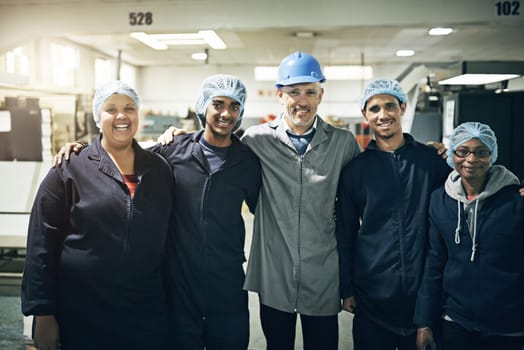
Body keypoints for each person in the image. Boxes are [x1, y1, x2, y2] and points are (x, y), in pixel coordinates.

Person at [52, 74, 262, 349]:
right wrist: (80, 149)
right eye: (218, 104)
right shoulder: (173, 150)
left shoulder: (247, 162)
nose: (226, 113)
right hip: (178, 286)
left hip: (227, 285)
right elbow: (121, 152)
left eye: (235, 107)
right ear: (203, 107)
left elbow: (267, 209)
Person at [21, 80, 175, 349]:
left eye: (129, 108)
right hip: (83, 310)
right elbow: (41, 241)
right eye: (110, 109)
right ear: (97, 117)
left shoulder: (159, 169)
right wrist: (42, 312)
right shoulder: (70, 168)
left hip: (146, 310)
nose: (121, 116)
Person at [241, 51, 361, 350]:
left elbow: (369, 181)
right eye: (294, 92)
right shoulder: (256, 140)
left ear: (321, 95)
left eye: (310, 92)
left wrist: (426, 150)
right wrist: (178, 137)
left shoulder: (343, 143)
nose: (302, 100)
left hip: (323, 272)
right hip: (274, 272)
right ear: (279, 95)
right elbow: (214, 152)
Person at [335, 78, 452, 350]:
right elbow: (346, 233)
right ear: (365, 115)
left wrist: (509, 189)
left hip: (425, 297)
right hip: (373, 296)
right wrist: (347, 288)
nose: (383, 114)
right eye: (374, 109)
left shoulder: (431, 162)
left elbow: (469, 185)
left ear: (402, 108)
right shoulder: (355, 171)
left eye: (390, 106)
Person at [413, 122, 524, 350]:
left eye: (481, 152)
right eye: (463, 151)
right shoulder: (439, 201)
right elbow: (434, 264)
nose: (471, 159)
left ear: (492, 155)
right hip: (457, 322)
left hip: (509, 325)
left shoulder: (516, 201)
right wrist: (424, 323)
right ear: (452, 154)